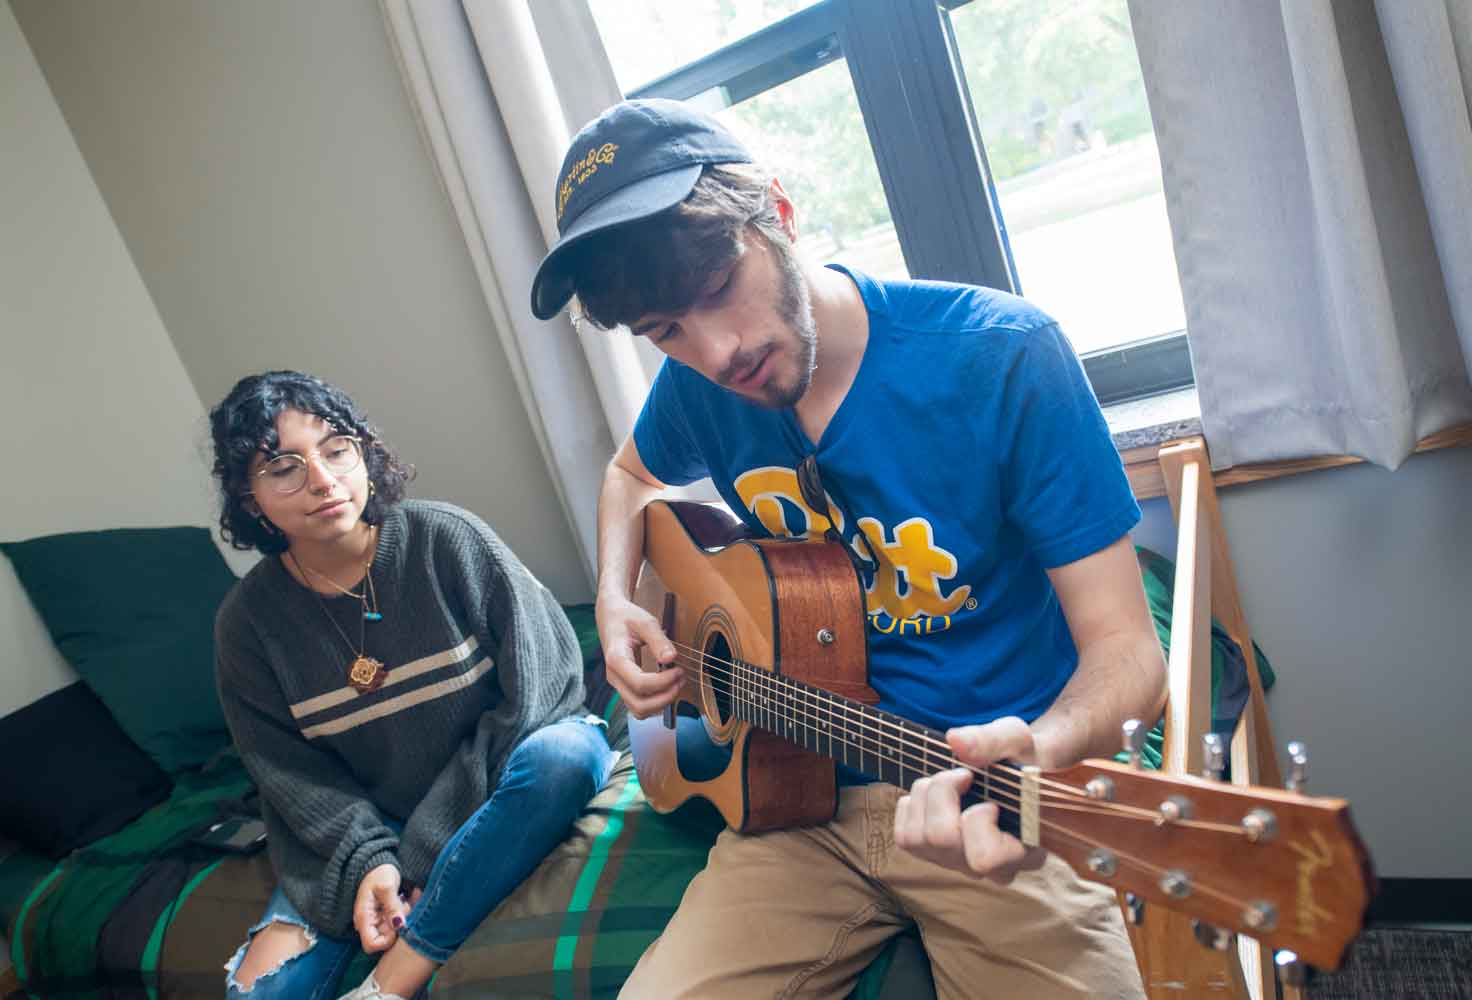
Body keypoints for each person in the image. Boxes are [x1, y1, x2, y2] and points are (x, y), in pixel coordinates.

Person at [529, 100, 1168, 998]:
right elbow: (629, 477)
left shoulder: (1001, 356)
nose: (715, 352)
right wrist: (611, 595)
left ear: (778, 215)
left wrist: (1044, 743)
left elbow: (1130, 653)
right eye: (666, 330)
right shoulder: (699, 387)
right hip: (796, 804)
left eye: (716, 289)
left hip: (987, 801)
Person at [209, 371, 614, 1000]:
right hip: (364, 830)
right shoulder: (247, 623)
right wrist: (373, 860)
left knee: (568, 755)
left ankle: (390, 984)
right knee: (258, 995)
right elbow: (288, 774)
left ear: (364, 452)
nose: (322, 479)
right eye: (282, 466)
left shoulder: (445, 539)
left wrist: (423, 854)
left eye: (336, 448)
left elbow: (540, 695)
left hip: (488, 787)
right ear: (247, 496)